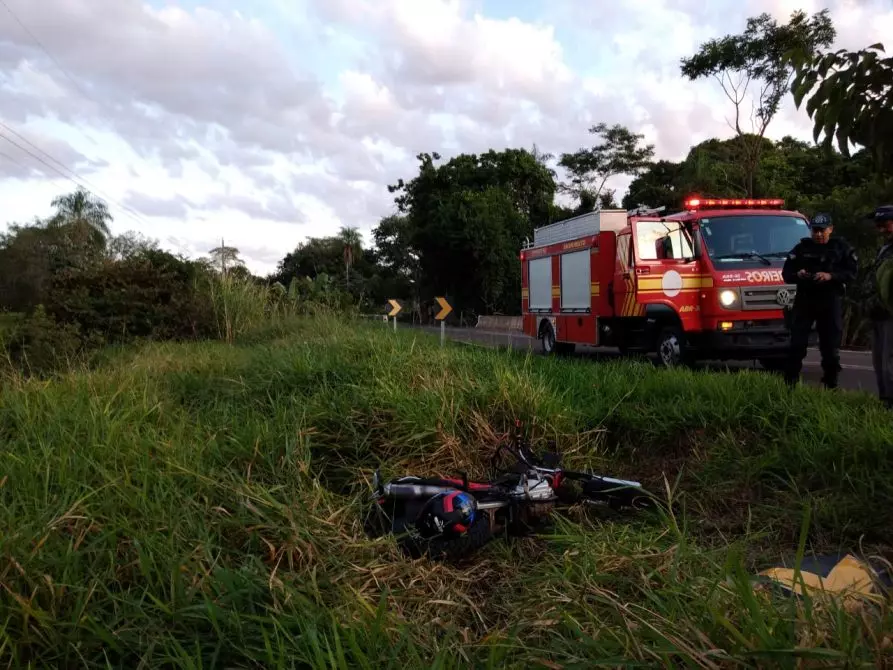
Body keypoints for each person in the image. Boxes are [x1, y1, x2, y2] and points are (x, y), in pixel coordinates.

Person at [781, 213, 858, 389]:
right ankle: (789, 384)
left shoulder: (841, 248)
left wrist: (831, 276)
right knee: (797, 344)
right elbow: (786, 275)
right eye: (815, 230)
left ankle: (831, 384)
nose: (818, 234)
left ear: (830, 229)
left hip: (829, 300)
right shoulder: (801, 249)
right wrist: (798, 275)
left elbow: (852, 273)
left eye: (822, 230)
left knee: (830, 347)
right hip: (805, 301)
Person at [867, 205, 893, 408]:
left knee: (888, 361)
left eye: (885, 225)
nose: (881, 230)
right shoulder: (885, 248)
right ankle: (885, 401)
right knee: (879, 361)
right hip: (877, 312)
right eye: (878, 226)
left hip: (890, 313)